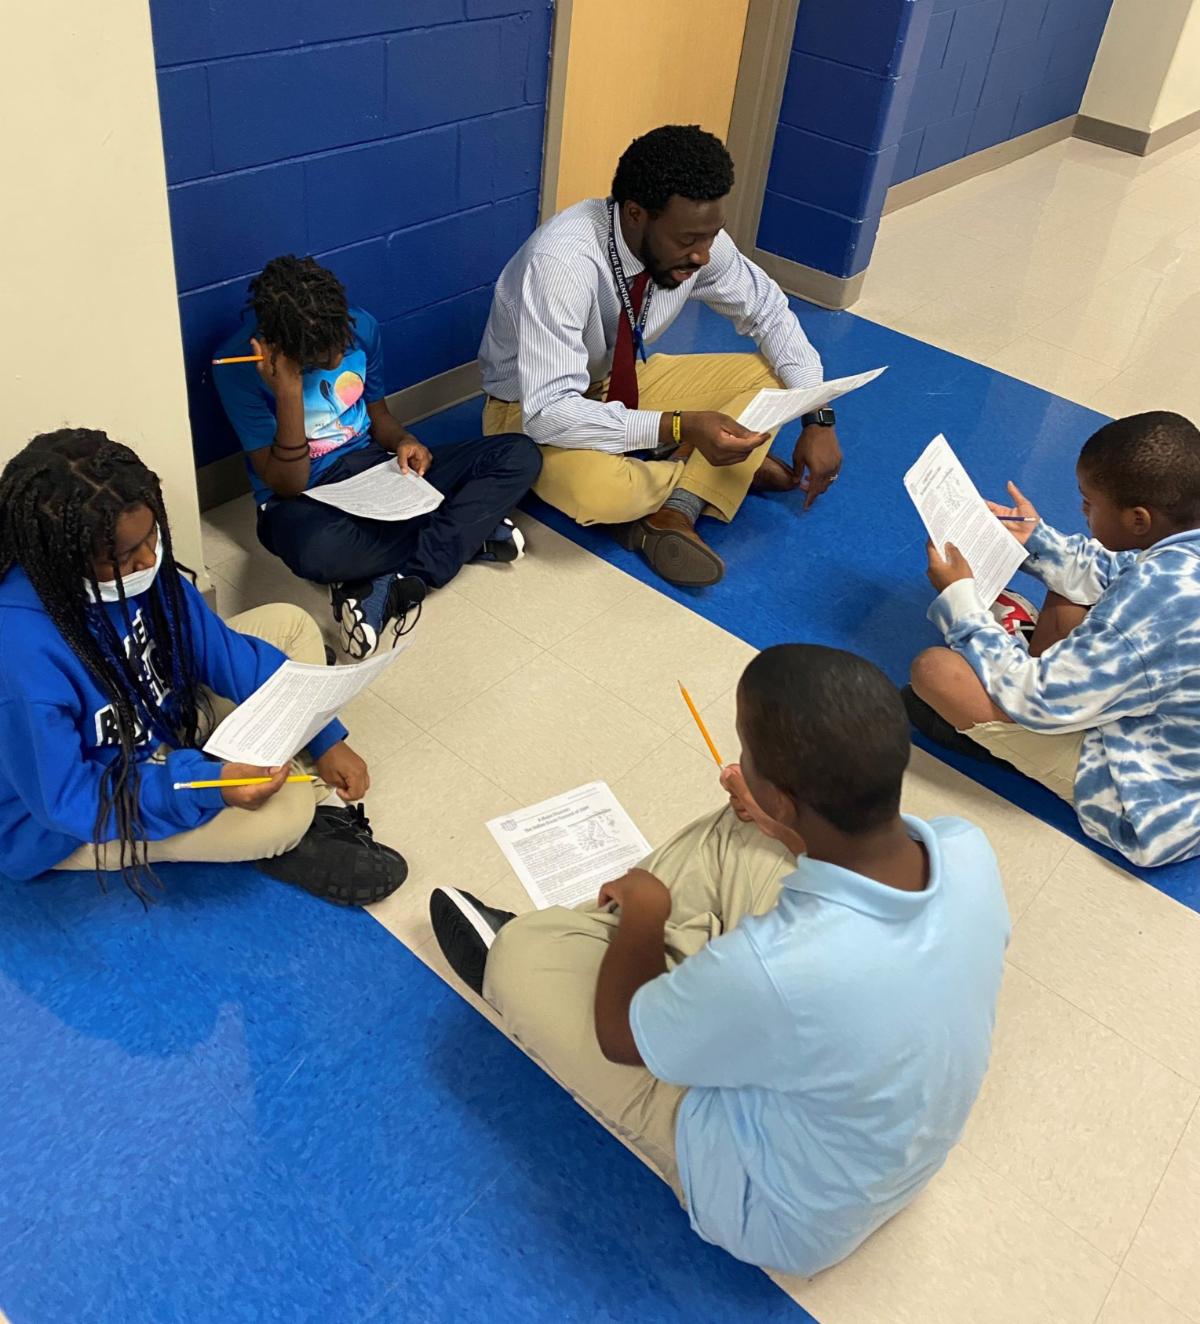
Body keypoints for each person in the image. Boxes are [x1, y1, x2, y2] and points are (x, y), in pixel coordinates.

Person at [427, 645, 1009, 1276]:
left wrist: (647, 910)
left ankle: (600, 950)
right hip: (889, 1157)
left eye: (747, 757)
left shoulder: (776, 969)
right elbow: (819, 890)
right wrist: (775, 824)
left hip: (780, 1214)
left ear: (784, 797)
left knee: (525, 955)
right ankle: (677, 972)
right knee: (739, 830)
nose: (739, 767)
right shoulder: (966, 849)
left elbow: (623, 1041)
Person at [0, 429, 406, 906]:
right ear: (62, 562)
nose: (149, 559)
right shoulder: (20, 657)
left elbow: (224, 653)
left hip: (158, 722)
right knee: (288, 815)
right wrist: (207, 788)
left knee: (292, 625)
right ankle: (269, 811)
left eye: (152, 536)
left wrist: (324, 737)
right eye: (125, 557)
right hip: (83, 811)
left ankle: (257, 783)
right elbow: (71, 799)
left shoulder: (140, 570)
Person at [479, 124, 845, 589]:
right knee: (604, 493)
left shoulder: (697, 241)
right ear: (635, 214)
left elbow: (769, 312)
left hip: (618, 383)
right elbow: (549, 414)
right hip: (525, 410)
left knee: (773, 377)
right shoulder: (562, 263)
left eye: (712, 235)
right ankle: (713, 473)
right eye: (688, 240)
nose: (702, 255)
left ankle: (677, 503)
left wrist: (817, 417)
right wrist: (680, 426)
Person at [909, 410, 1200, 869]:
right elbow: (1118, 570)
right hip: (1176, 731)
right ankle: (1029, 659)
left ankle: (1005, 746)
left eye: (1088, 503)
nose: (1082, 511)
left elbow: (1039, 700)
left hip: (1155, 802)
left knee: (934, 672)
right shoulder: (1180, 548)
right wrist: (1034, 538)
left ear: (1139, 519)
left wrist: (962, 604)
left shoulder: (1150, 606)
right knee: (1069, 583)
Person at [214, 256, 542, 658]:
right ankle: (465, 535)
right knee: (317, 551)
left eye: (341, 343)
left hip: (374, 469)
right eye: (318, 358)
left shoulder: (360, 325)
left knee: (519, 454)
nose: (337, 359)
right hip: (303, 500)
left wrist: (404, 440)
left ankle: (391, 581)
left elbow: (378, 416)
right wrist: (288, 391)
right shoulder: (236, 366)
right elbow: (288, 484)